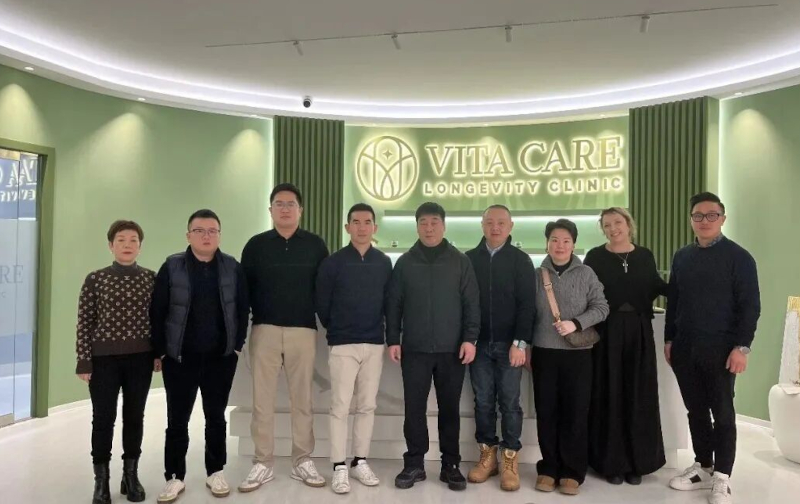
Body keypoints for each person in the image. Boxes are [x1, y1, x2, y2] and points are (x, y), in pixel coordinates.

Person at [666, 192, 760, 504]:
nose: (704, 220)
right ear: (691, 219)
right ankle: (703, 465)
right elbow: (674, 301)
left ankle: (722, 476)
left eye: (711, 215)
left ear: (722, 218)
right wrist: (669, 340)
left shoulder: (739, 258)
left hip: (721, 349)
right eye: (698, 215)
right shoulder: (682, 257)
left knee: (722, 413)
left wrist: (742, 347)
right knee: (695, 410)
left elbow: (750, 307)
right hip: (685, 347)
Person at [150, 209, 250, 503]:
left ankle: (215, 471)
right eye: (199, 231)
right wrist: (161, 351)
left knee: (215, 418)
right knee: (177, 420)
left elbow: (242, 308)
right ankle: (174, 477)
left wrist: (236, 346)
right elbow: (157, 311)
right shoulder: (172, 266)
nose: (206, 236)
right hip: (179, 359)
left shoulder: (232, 267)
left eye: (212, 231)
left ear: (219, 235)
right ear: (188, 235)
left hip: (221, 357)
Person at [239, 183, 330, 492]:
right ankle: (262, 462)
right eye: (279, 203)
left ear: (300, 210)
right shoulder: (256, 246)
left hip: (303, 330)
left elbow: (324, 289)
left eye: (291, 203)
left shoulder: (316, 245)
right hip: (264, 329)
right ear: (271, 210)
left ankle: (302, 459)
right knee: (261, 400)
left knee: (302, 400)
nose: (285, 208)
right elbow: (244, 291)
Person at [386, 202, 480, 491]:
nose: (429, 228)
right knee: (414, 408)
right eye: (423, 223)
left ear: (444, 225)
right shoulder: (405, 262)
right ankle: (414, 463)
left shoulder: (460, 261)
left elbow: (471, 303)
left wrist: (470, 338)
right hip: (414, 349)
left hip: (452, 349)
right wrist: (393, 339)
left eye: (434, 222)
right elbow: (394, 304)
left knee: (449, 408)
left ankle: (450, 464)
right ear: (417, 227)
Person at [76, 220, 158, 504]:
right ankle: (101, 482)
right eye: (121, 240)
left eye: (133, 240)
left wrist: (158, 354)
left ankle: (130, 475)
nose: (127, 245)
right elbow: (85, 322)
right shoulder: (95, 279)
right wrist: (83, 360)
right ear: (111, 245)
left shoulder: (151, 279)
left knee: (135, 417)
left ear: (140, 246)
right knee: (103, 419)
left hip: (140, 359)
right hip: (103, 362)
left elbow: (158, 320)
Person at [584, 207, 667, 485]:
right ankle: (611, 464)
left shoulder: (644, 255)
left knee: (638, 394)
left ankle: (637, 463)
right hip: (606, 332)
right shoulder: (595, 257)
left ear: (628, 224)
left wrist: (688, 289)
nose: (613, 228)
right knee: (609, 394)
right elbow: (586, 293)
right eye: (607, 225)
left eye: (617, 222)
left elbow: (656, 285)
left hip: (639, 331)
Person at [315, 203, 393, 494]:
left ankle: (360, 461)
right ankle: (339, 466)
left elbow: (389, 302)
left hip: (373, 343)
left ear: (374, 227)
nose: (362, 227)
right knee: (340, 406)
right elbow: (322, 303)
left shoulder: (383, 262)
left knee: (367, 405)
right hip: (343, 344)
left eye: (367, 222)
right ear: (347, 227)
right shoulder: (333, 262)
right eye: (356, 222)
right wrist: (337, 328)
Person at [530, 219, 609, 496]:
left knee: (575, 413)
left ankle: (573, 471)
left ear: (574, 244)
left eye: (565, 240)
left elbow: (602, 307)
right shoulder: (536, 275)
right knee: (546, 412)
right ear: (547, 244)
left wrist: (576, 323)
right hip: (544, 353)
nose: (559, 245)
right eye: (554, 240)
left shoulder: (586, 273)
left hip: (578, 355)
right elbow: (527, 312)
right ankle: (549, 468)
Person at [464, 205, 536, 492]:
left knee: (509, 403)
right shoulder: (469, 259)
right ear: (482, 225)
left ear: (510, 226)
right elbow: (464, 302)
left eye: (501, 223)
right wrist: (467, 338)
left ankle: (509, 460)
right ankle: (487, 457)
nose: (495, 227)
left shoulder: (521, 260)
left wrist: (520, 343)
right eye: (490, 222)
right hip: (478, 345)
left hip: (510, 346)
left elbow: (527, 306)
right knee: (482, 402)